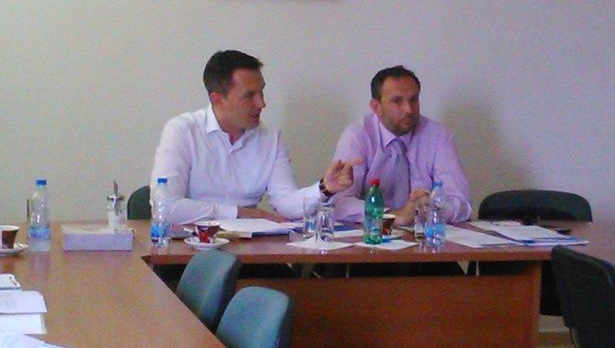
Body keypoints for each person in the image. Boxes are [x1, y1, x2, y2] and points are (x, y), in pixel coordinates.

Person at [150, 50, 358, 224]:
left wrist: (325, 188)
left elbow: (285, 203)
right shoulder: (182, 131)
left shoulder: (271, 139)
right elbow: (165, 206)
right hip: (191, 246)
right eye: (249, 96)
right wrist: (239, 213)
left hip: (251, 246)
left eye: (261, 92)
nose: (261, 103)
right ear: (217, 99)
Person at [330, 65, 471, 225]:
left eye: (413, 100)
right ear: (376, 107)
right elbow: (341, 203)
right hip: (372, 233)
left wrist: (430, 209)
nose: (409, 109)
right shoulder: (358, 136)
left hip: (424, 232)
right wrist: (393, 216)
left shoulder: (438, 136)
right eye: (397, 101)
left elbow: (461, 203)